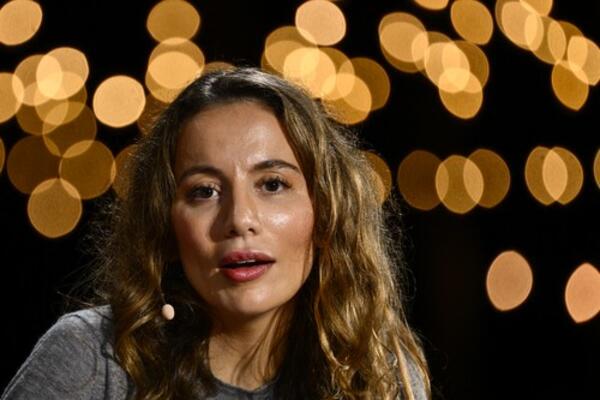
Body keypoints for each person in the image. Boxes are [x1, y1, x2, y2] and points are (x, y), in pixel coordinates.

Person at [1, 67, 430, 399]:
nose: (239, 219)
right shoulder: (92, 358)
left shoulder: (376, 372)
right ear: (166, 224)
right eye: (204, 191)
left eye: (272, 184)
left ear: (327, 211)